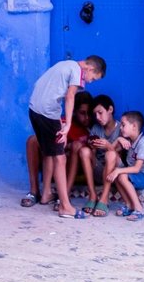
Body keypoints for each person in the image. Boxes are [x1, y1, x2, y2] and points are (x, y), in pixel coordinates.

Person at [23, 55, 106, 217]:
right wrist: (67, 124)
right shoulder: (77, 70)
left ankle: (46, 194)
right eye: (93, 78)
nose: (89, 82)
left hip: (34, 110)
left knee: (49, 152)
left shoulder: (63, 64)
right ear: (89, 69)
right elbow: (70, 96)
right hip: (48, 113)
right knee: (60, 158)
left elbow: (38, 84)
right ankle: (65, 206)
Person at [25, 92, 92, 203]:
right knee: (32, 140)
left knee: (74, 147)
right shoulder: (63, 123)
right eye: (82, 113)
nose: (87, 118)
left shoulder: (92, 129)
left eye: (89, 113)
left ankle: (64, 196)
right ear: (74, 112)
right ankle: (34, 191)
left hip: (73, 168)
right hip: (54, 163)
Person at [100, 110, 144, 220]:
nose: (120, 128)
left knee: (120, 174)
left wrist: (118, 171)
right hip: (134, 174)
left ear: (134, 126)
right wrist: (118, 139)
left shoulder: (143, 144)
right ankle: (129, 204)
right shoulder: (128, 141)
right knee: (115, 171)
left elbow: (136, 169)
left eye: (123, 125)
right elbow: (111, 153)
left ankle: (139, 209)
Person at [75, 95, 119, 216]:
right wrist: (92, 147)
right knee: (84, 151)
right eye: (95, 114)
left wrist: (108, 146)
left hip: (115, 174)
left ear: (110, 110)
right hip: (99, 171)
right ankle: (92, 195)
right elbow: (91, 154)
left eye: (100, 113)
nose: (98, 118)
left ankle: (104, 199)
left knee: (110, 154)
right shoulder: (96, 128)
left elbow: (122, 158)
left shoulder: (122, 128)